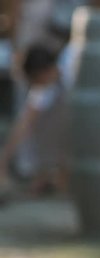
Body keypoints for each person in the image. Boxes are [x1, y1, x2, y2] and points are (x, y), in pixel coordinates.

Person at [0, 41, 78, 201]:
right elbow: (26, 120)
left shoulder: (74, 62)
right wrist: (4, 158)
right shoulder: (49, 85)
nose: (36, 86)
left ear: (41, 74)